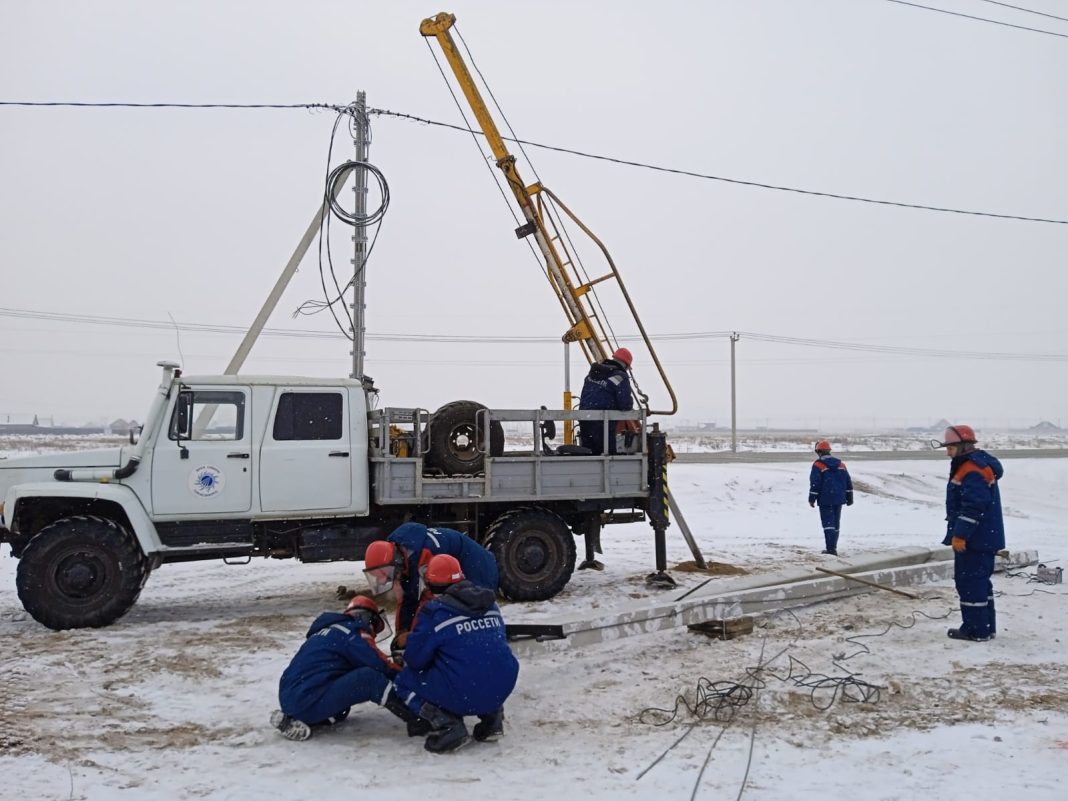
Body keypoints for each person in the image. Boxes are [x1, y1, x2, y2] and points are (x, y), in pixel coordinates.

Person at [392, 554, 520, 753]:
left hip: (466, 692)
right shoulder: (490, 604)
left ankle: (448, 725)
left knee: (403, 682)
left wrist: (410, 642)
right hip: (502, 687)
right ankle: (492, 721)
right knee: (485, 663)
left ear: (431, 585)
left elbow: (416, 660)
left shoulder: (435, 612)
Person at [269, 595, 429, 741]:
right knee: (369, 678)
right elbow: (379, 665)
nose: (373, 634)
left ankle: (301, 718)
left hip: (292, 695)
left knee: (342, 710)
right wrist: (409, 679)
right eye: (374, 626)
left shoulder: (328, 631)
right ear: (367, 618)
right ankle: (419, 719)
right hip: (307, 699)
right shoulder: (352, 631)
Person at [362, 522, 499, 642]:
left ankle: (484, 642)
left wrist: (415, 639)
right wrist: (401, 632)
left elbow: (432, 603)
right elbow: (408, 598)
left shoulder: (426, 554)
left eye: (387, 575)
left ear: (395, 563)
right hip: (466, 560)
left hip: (478, 567)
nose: (388, 580)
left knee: (470, 608)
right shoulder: (405, 554)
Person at [936, 424, 1004, 642]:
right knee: (980, 582)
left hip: (976, 539)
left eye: (950, 448)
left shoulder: (971, 469)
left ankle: (975, 630)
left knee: (969, 583)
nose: (947, 453)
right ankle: (986, 628)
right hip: (984, 537)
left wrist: (960, 535)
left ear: (963, 446)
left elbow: (974, 506)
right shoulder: (975, 465)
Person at [578, 347, 635, 455]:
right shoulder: (620, 376)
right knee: (607, 455)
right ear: (626, 365)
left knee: (588, 454)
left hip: (584, 420)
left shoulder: (592, 374)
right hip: (603, 423)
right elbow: (625, 404)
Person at [808, 439, 853, 556]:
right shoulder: (841, 465)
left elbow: (815, 483)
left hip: (825, 500)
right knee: (836, 524)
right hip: (839, 499)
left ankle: (831, 549)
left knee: (828, 525)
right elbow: (848, 482)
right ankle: (833, 547)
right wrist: (849, 497)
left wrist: (812, 499)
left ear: (819, 451)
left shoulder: (818, 465)